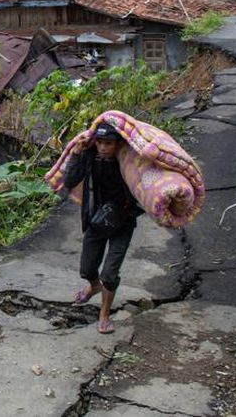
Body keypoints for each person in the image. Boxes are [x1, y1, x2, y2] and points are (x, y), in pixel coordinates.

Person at [62, 121, 143, 334]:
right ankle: (94, 285)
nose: (103, 147)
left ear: (118, 144)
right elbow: (69, 180)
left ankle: (104, 315)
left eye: (108, 143)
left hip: (123, 221)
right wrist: (76, 154)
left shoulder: (128, 161)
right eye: (99, 142)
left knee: (109, 274)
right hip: (97, 219)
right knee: (87, 269)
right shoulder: (90, 157)